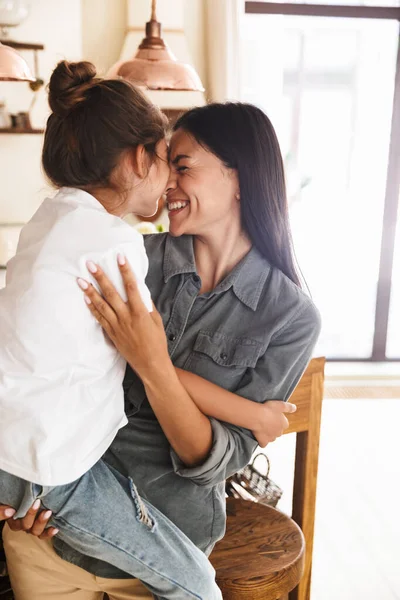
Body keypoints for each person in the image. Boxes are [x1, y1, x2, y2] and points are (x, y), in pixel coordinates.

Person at [1, 93, 321, 600]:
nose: (166, 180)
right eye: (164, 162)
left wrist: (152, 364)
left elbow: (213, 457)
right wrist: (35, 487)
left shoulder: (290, 316)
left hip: (161, 554)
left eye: (183, 165)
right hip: (52, 537)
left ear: (238, 176)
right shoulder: (124, 258)